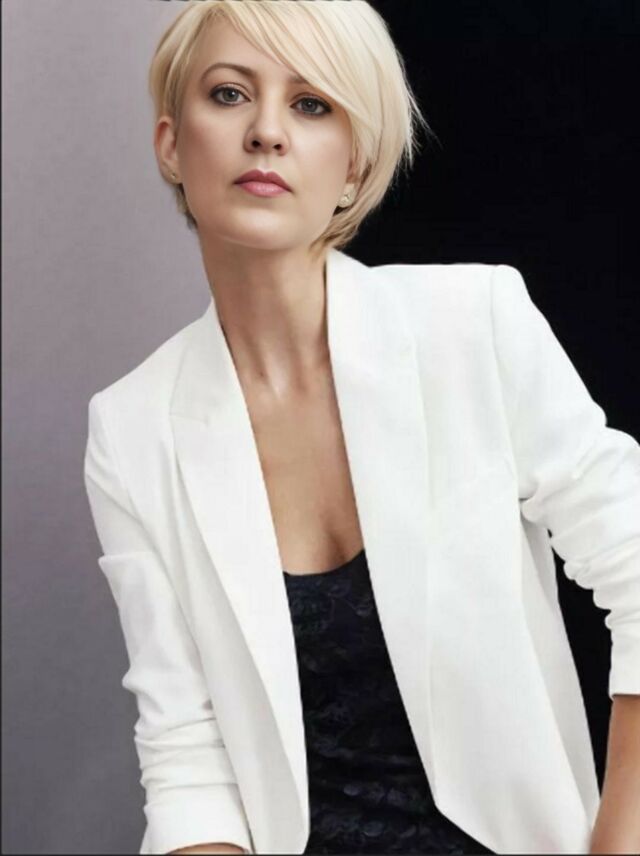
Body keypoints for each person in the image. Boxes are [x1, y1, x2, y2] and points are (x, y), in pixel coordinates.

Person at [83, 1, 640, 855]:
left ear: (354, 166)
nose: (267, 131)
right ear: (170, 144)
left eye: (312, 104)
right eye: (229, 94)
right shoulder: (131, 429)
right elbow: (187, 756)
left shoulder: (473, 324)